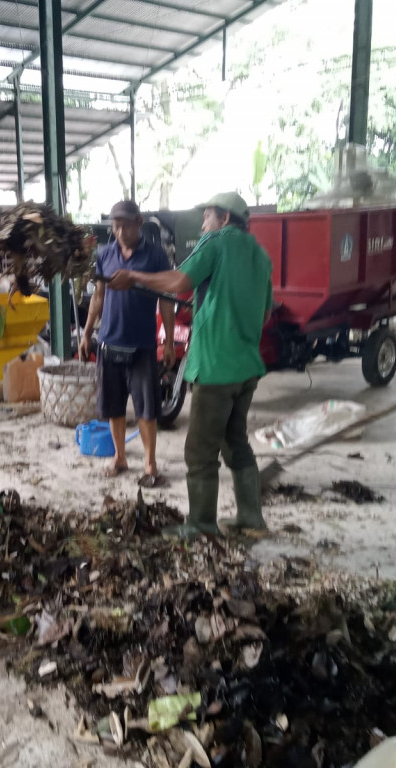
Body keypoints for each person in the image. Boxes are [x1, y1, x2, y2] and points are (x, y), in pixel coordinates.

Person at [107, 192, 273, 537]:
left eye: (207, 216)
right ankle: (251, 518)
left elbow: (180, 282)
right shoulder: (259, 254)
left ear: (224, 219)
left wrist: (135, 277)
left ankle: (200, 524)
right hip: (246, 367)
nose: (202, 224)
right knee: (235, 442)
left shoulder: (216, 241)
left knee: (198, 450)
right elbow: (267, 311)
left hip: (216, 367)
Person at [80, 200, 174, 487]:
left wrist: (168, 341)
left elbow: (167, 300)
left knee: (146, 409)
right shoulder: (105, 254)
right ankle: (120, 456)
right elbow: (98, 296)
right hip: (109, 342)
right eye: (115, 226)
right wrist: (87, 332)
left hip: (142, 345)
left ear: (139, 223)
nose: (119, 232)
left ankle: (150, 463)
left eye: (125, 226)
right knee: (114, 407)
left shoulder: (156, 256)